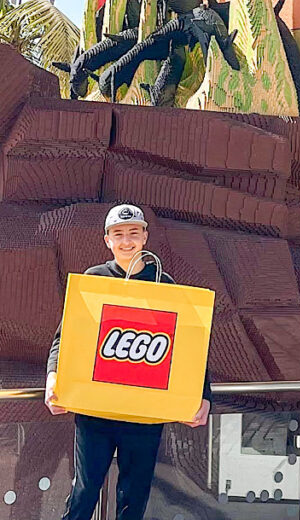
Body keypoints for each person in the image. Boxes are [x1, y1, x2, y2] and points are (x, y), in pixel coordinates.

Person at [45, 205, 212, 520]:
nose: (126, 241)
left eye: (134, 233)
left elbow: (190, 347)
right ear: (107, 240)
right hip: (95, 412)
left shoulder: (165, 285)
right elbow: (63, 339)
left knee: (133, 499)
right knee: (84, 493)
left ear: (145, 237)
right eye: (118, 235)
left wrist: (202, 395)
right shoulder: (94, 280)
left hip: (145, 415)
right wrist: (54, 377)